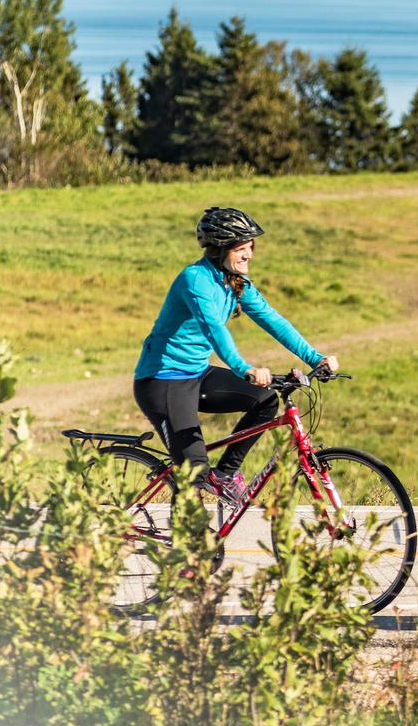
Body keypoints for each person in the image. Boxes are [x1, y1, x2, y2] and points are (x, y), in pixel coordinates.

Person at [132, 206, 335, 505]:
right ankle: (191, 547)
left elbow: (273, 320)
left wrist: (315, 357)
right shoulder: (195, 279)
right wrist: (243, 368)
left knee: (264, 399)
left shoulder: (234, 282)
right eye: (241, 248)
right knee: (194, 472)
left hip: (197, 374)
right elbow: (214, 329)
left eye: (250, 247)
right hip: (162, 381)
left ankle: (226, 474)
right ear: (220, 250)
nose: (249, 254)